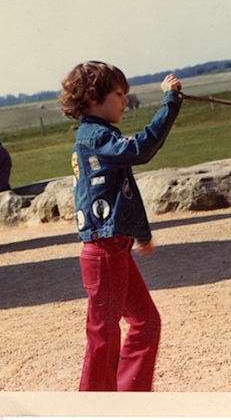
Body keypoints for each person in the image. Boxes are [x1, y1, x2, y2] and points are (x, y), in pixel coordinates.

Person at [59, 61, 183, 391]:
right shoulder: (96, 138)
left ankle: (129, 399)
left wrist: (140, 236)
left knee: (145, 322)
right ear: (92, 98)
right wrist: (170, 103)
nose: (125, 101)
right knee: (103, 333)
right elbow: (141, 149)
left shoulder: (101, 137)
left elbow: (119, 194)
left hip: (115, 247)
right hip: (104, 251)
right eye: (118, 94)